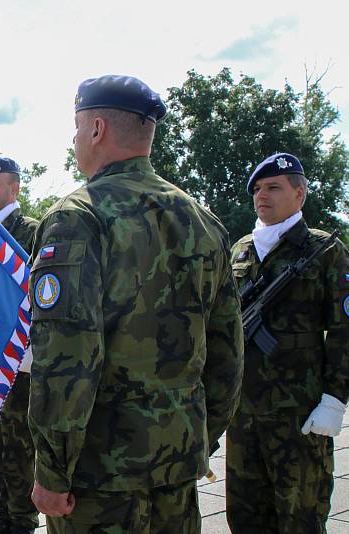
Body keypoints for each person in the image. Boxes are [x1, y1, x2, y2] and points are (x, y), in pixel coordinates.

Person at [27, 75, 244, 533]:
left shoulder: (77, 216)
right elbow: (227, 354)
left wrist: (52, 469)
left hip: (99, 478)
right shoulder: (204, 220)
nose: (74, 138)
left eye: (76, 126)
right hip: (178, 463)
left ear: (97, 129)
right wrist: (198, 438)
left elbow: (67, 358)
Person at [226, 152, 349, 533]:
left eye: (274, 188)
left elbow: (348, 328)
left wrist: (335, 398)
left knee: (301, 519)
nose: (262, 196)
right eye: (258, 189)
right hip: (243, 413)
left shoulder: (326, 251)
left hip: (300, 413)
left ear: (299, 195)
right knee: (246, 517)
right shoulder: (241, 250)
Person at [0, 157, 40, 534]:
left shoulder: (30, 231)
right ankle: (5, 508)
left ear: (14, 188)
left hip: (19, 356)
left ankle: (22, 517)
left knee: (18, 441)